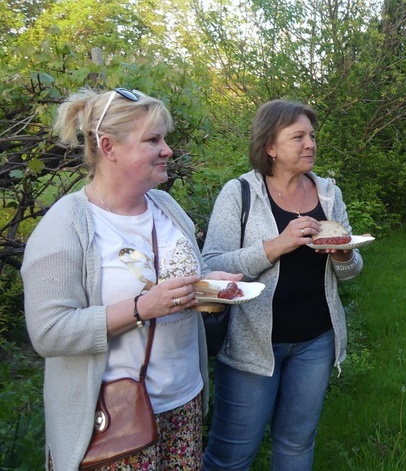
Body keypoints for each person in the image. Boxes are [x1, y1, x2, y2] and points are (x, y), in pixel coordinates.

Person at [21, 87, 241, 471]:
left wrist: (208, 283)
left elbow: (175, 278)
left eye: (165, 139)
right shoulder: (66, 224)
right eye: (153, 140)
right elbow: (48, 332)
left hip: (182, 401)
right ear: (109, 147)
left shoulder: (165, 206)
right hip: (112, 414)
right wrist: (141, 308)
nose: (167, 149)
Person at [201, 99, 363, 471]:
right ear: (270, 147)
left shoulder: (327, 194)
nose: (311, 144)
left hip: (316, 341)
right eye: (298, 137)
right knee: (232, 456)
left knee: (295, 446)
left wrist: (341, 256)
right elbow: (211, 267)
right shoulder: (239, 193)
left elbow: (351, 269)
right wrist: (276, 246)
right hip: (253, 344)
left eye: (312, 136)